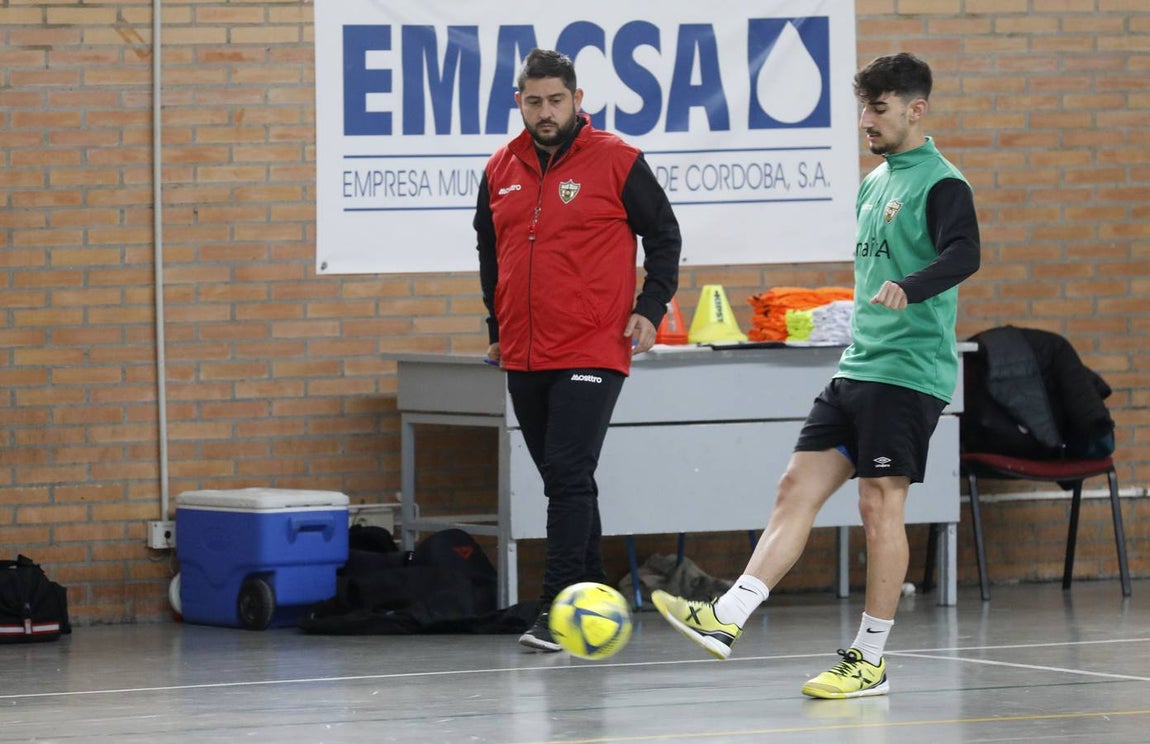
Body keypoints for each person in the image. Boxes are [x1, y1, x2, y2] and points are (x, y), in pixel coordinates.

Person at [652, 52, 980, 698]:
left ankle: (869, 660)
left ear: (916, 110)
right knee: (794, 486)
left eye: (878, 109)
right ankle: (729, 615)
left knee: (879, 505)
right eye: (863, 108)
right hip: (857, 368)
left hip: (908, 374)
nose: (866, 121)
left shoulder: (943, 185)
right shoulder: (874, 182)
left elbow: (965, 253)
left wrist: (910, 290)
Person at [474, 48, 682, 651]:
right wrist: (496, 324)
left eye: (556, 100)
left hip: (593, 344)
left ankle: (554, 611)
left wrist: (650, 306)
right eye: (534, 101)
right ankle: (588, 595)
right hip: (523, 348)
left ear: (577, 101)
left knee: (567, 474)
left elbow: (664, 235)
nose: (545, 111)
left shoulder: (617, 160)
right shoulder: (499, 168)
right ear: (520, 102)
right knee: (564, 480)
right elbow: (492, 256)